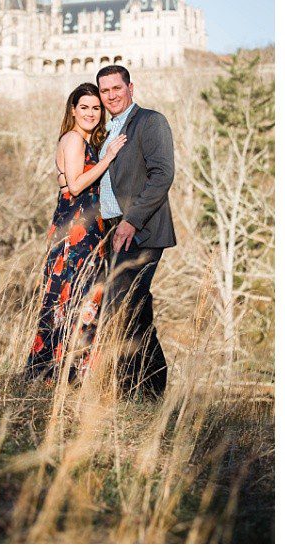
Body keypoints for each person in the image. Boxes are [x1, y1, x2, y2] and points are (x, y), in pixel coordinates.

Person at [27, 83, 126, 382]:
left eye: (96, 108)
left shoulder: (84, 142)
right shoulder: (73, 139)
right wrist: (108, 159)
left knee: (79, 303)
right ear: (73, 110)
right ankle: (58, 376)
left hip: (87, 232)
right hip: (75, 234)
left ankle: (63, 377)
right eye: (84, 107)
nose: (91, 113)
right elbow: (76, 185)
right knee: (72, 302)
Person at [95, 64, 175, 400]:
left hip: (141, 230)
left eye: (117, 88)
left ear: (131, 87)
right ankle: (144, 391)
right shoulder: (107, 130)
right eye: (105, 90)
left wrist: (132, 221)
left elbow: (162, 174)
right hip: (113, 231)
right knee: (133, 305)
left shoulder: (150, 121)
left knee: (123, 303)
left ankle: (139, 387)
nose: (111, 95)